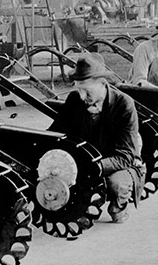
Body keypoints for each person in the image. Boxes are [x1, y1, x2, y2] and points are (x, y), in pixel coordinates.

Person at [48, 54, 143, 223]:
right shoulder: (75, 100)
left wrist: (92, 166)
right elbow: (55, 134)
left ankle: (119, 205)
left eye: (87, 90)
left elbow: (126, 156)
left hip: (116, 163)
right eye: (78, 89)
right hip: (85, 163)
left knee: (117, 185)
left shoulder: (124, 105)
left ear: (102, 84)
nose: (82, 96)